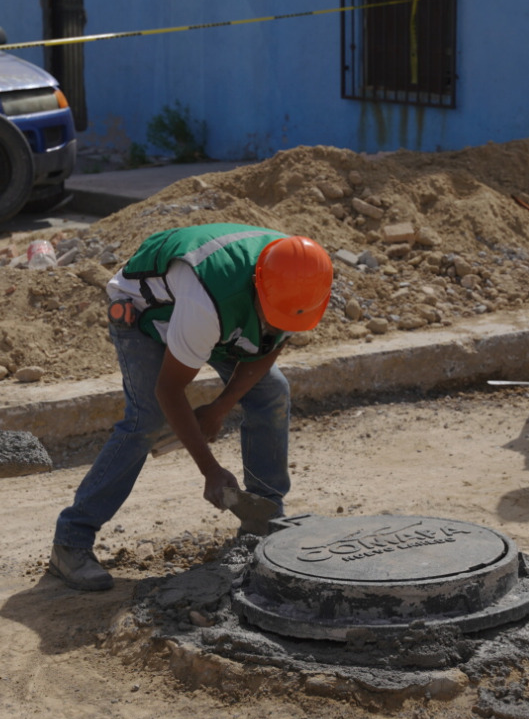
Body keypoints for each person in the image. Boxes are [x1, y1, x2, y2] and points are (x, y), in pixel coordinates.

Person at [50, 224, 334, 591]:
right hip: (148, 310)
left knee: (271, 391)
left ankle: (263, 520)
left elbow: (271, 343)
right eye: (271, 314)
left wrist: (218, 408)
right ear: (259, 285)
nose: (275, 324)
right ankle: (71, 541)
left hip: (224, 309)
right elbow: (169, 389)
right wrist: (211, 471)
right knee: (147, 420)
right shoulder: (208, 300)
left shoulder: (301, 278)